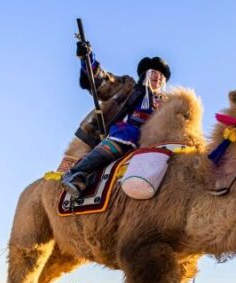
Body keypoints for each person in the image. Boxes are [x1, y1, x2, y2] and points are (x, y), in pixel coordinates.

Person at [61, 40, 171, 198]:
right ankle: (77, 173)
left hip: (153, 141)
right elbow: (103, 81)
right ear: (144, 75)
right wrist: (88, 59)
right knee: (128, 133)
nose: (158, 77)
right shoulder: (127, 88)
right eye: (154, 72)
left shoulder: (169, 102)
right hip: (126, 132)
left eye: (161, 76)